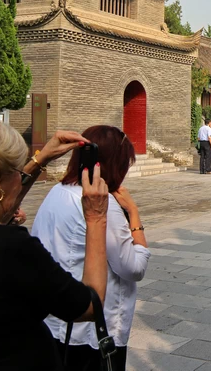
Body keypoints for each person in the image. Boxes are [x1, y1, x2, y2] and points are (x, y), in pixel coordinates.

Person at [0, 95, 109, 371]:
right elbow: (89, 304)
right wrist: (96, 217)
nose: (19, 177)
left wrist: (39, 159)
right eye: (15, 170)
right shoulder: (10, 249)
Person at [32, 125, 149, 370]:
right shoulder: (101, 206)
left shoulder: (56, 192)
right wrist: (134, 215)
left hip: (56, 324)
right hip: (92, 334)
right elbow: (133, 268)